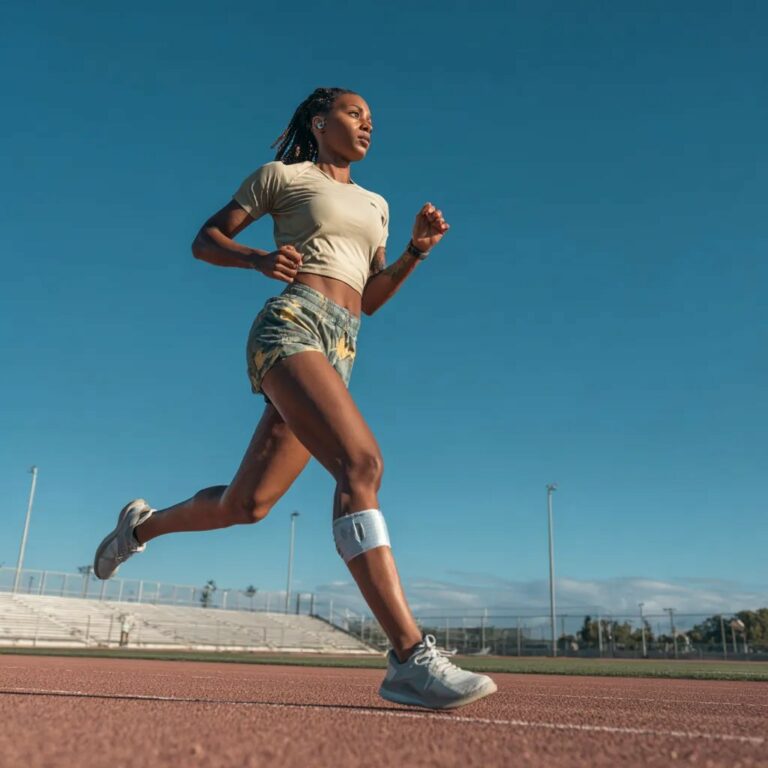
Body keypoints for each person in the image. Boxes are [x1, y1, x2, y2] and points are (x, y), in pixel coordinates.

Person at [93, 87, 497, 710]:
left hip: (342, 347)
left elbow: (370, 298)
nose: (367, 124)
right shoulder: (282, 177)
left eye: (371, 119)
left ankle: (141, 527)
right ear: (320, 120)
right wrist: (257, 259)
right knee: (360, 464)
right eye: (354, 113)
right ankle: (411, 657)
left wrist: (416, 251)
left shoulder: (377, 204)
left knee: (246, 503)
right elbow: (206, 239)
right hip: (290, 326)